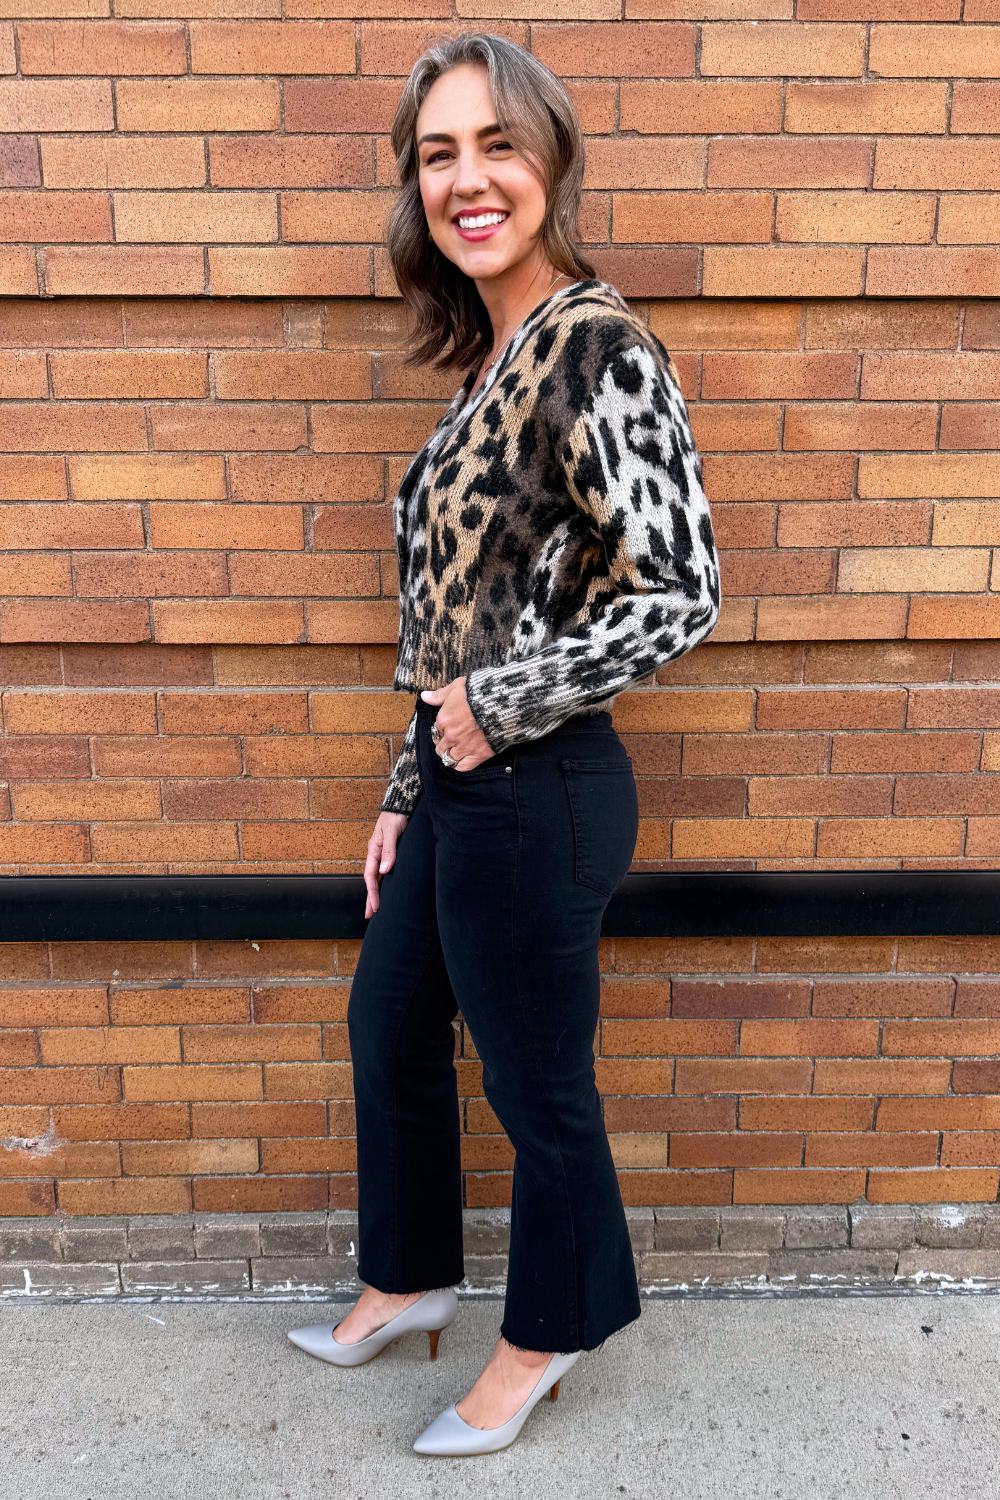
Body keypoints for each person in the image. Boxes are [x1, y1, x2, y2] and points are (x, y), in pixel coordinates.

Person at [288, 31, 720, 1456]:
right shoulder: (497, 360)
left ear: (550, 163)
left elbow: (682, 590)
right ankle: (409, 1279)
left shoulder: (597, 347)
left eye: (495, 144)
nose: (467, 179)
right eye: (437, 155)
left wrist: (499, 708)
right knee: (390, 1018)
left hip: (544, 787)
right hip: (463, 780)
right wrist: (406, 784)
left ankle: (546, 1335)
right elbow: (453, 620)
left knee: (538, 1090)